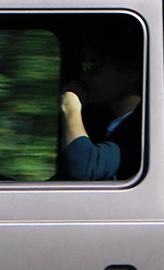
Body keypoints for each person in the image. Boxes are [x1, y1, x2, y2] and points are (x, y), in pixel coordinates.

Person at [59, 35, 142, 180]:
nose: (85, 76)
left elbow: (83, 167)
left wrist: (71, 107)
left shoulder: (141, 130)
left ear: (130, 73)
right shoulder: (114, 127)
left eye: (95, 66)